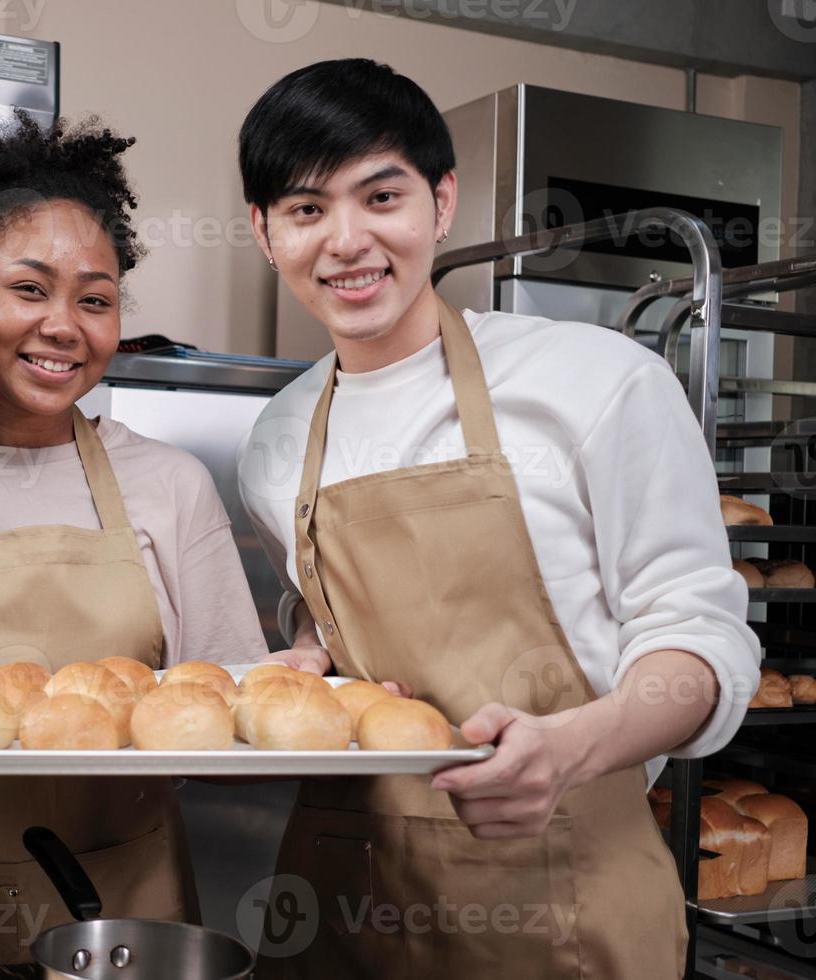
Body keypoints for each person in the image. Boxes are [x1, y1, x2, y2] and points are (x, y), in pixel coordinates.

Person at [234, 60, 760, 977]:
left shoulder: (594, 383)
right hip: (347, 903)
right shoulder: (276, 437)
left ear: (441, 203)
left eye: (381, 195)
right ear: (264, 233)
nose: (347, 241)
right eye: (306, 209)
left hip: (565, 901)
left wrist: (568, 750)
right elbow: (325, 604)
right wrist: (316, 652)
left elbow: (704, 642)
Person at [0, 110, 269, 971]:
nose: (63, 327)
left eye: (95, 299)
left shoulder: (172, 484)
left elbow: (229, 712)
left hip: (133, 921)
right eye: (30, 288)